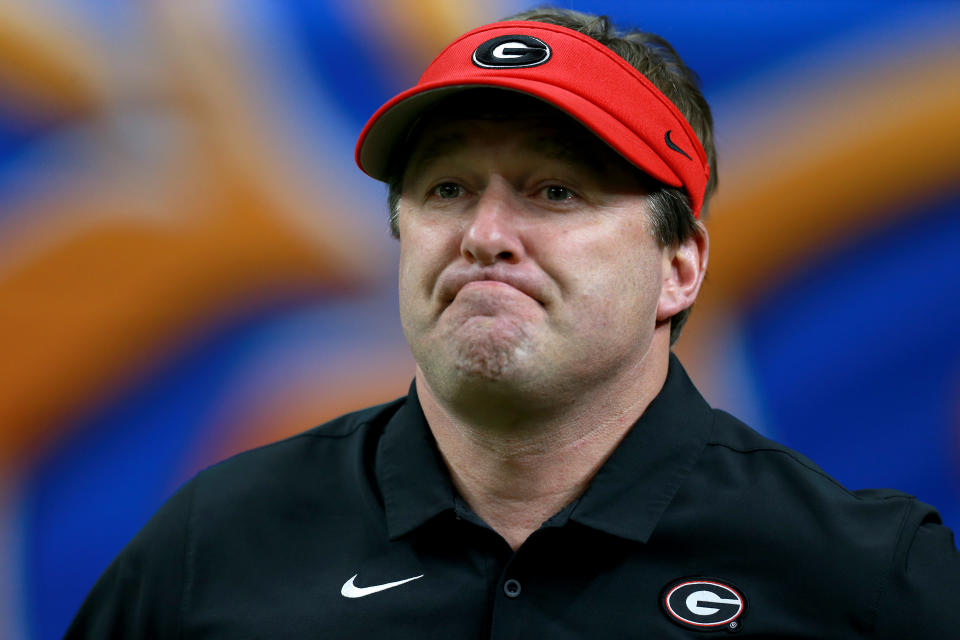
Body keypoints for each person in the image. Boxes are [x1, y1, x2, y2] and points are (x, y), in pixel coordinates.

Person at [65, 8, 960, 638]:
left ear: (680, 267)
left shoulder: (865, 576)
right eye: (447, 189)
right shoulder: (214, 545)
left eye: (555, 192)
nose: (485, 236)